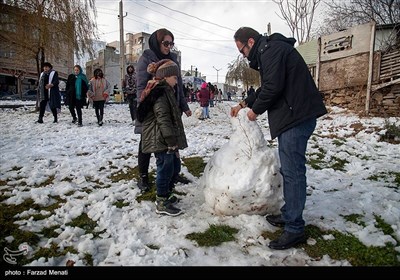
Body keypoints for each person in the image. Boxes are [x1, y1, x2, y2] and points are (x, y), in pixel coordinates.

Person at [231, 27, 327, 250]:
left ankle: (295, 229)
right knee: (290, 170)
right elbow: (267, 86)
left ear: (251, 42)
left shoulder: (271, 51)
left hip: (296, 117)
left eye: (242, 50)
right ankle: (289, 214)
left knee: (293, 173)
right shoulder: (270, 50)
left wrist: (256, 112)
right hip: (294, 115)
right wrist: (244, 104)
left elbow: (273, 87)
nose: (243, 56)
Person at [135, 28, 192, 192]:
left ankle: (174, 174)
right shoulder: (146, 58)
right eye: (166, 43)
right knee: (147, 141)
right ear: (156, 42)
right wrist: (144, 107)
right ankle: (143, 177)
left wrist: (184, 106)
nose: (169, 47)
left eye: (171, 43)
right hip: (153, 107)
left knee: (172, 139)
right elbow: (140, 87)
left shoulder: (173, 59)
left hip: (172, 105)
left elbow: (179, 86)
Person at [137, 59, 188, 216]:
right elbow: (163, 118)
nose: (177, 80)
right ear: (166, 77)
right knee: (165, 168)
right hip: (160, 138)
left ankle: (167, 193)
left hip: (165, 137)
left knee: (174, 167)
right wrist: (171, 141)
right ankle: (161, 200)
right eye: (174, 77)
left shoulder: (167, 90)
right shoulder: (160, 92)